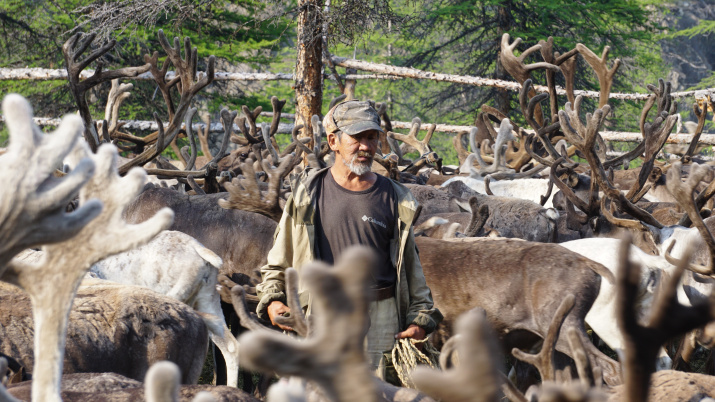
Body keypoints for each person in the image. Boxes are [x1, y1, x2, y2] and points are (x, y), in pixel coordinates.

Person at [255, 100, 442, 380]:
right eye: (357, 138)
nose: (366, 147)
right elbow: (278, 262)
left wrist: (421, 319)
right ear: (334, 141)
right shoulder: (307, 195)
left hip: (382, 318)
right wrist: (273, 300)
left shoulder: (396, 198)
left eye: (372, 138)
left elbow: (411, 267)